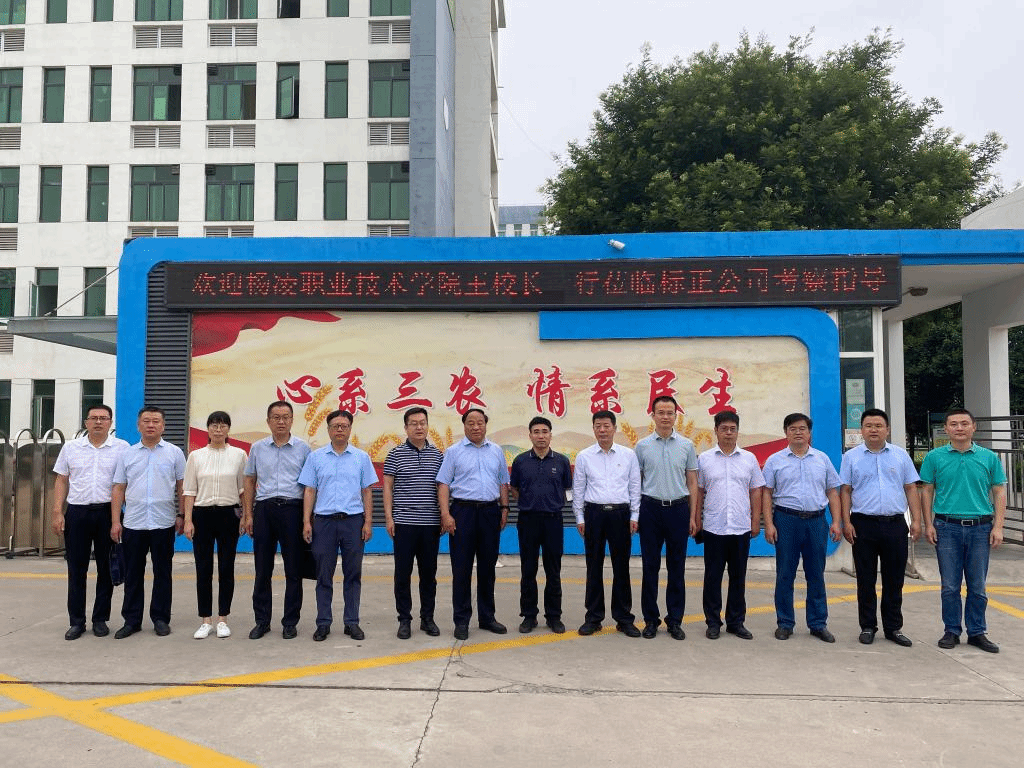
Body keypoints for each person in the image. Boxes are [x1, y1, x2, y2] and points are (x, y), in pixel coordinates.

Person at [921, 408, 1007, 653]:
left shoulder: (988, 457)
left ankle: (977, 632)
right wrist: (929, 524)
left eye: (964, 423)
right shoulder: (934, 457)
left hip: (980, 528)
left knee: (977, 585)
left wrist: (998, 526)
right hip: (947, 527)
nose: (959, 428)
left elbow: (999, 491)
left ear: (973, 427)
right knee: (950, 585)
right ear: (946, 429)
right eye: (954, 424)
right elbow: (926, 490)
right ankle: (951, 630)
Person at [839, 408, 922, 647]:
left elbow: (910, 488)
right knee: (865, 579)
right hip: (863, 524)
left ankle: (893, 628)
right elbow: (845, 490)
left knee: (894, 579)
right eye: (868, 426)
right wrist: (846, 522)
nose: (873, 430)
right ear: (861, 430)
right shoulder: (851, 457)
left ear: (887, 429)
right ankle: (868, 626)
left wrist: (916, 520)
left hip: (895, 524)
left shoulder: (900, 456)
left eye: (878, 426)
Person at [761, 412, 842, 642]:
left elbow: (832, 491)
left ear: (809, 432)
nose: (798, 432)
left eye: (802, 428)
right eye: (793, 429)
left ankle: (818, 623)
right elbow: (766, 493)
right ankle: (785, 623)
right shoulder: (775, 460)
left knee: (816, 574)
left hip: (816, 521)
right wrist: (769, 524)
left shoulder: (822, 459)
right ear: (786, 433)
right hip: (786, 520)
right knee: (785, 573)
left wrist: (836, 522)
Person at [51, 404, 129, 640]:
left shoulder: (122, 448)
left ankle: (100, 619)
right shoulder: (71, 448)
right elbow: (61, 480)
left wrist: (119, 518)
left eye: (103, 418)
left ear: (110, 423)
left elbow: (124, 483)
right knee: (77, 569)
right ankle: (76, 622)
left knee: (107, 568)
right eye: (93, 418)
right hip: (77, 512)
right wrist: (57, 511)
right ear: (86, 422)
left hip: (108, 513)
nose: (98, 422)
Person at [299, 409, 376, 642]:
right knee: (324, 575)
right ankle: (323, 623)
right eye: (335, 426)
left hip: (353, 521)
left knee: (353, 574)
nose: (339, 429)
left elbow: (367, 491)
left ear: (350, 429)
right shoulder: (316, 457)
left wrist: (368, 522)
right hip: (324, 522)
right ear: (328, 429)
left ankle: (352, 622)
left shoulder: (361, 457)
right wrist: (306, 521)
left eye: (344, 426)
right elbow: (309, 490)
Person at [109, 406, 185, 639]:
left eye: (156, 421)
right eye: (146, 421)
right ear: (138, 425)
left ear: (163, 426)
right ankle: (132, 620)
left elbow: (182, 486)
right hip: (134, 522)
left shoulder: (174, 453)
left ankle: (160, 619)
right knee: (133, 574)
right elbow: (118, 488)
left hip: (163, 522)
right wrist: (115, 521)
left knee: (163, 572)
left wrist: (182, 515)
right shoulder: (127, 454)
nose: (151, 425)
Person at [436, 408, 511, 641]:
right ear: (464, 426)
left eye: (480, 422)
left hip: (490, 512)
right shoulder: (453, 452)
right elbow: (443, 484)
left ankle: (487, 617)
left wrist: (504, 509)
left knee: (488, 568)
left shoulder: (496, 451)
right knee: (461, 569)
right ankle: (461, 621)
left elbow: (503, 482)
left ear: (486, 425)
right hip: (463, 512)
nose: (476, 427)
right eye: (471, 423)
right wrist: (446, 514)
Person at [242, 401, 311, 640]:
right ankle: (262, 621)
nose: (281, 421)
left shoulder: (304, 448)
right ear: (268, 421)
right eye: (276, 417)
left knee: (294, 570)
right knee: (262, 569)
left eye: (285, 417)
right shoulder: (258, 448)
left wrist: (307, 519)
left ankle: (290, 622)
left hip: (293, 509)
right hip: (265, 509)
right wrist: (248, 514)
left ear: (292, 420)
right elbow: (249, 480)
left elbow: (310, 486)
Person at [695, 410, 764, 640]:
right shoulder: (705, 459)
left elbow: (756, 490)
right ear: (716, 431)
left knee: (738, 577)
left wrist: (755, 520)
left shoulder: (749, 459)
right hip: (713, 527)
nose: (728, 433)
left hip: (740, 527)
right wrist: (697, 519)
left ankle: (736, 622)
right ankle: (713, 622)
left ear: (737, 431)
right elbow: (699, 491)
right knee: (712, 577)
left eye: (732, 429)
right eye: (723, 429)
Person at [573, 410, 642, 638]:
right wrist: (580, 518)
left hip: (621, 514)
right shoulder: (584, 456)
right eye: (598, 426)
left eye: (606, 426)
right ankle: (593, 618)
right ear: (593, 429)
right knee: (593, 567)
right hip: (594, 514)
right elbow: (579, 489)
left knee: (621, 567)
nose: (602, 430)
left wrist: (635, 515)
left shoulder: (628, 455)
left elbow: (635, 487)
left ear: (614, 428)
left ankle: (624, 618)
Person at [634, 396, 697, 640]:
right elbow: (636, 481)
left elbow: (692, 482)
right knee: (650, 567)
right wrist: (635, 513)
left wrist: (693, 516)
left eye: (670, 412)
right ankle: (651, 620)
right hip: (650, 509)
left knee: (677, 567)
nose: (665, 417)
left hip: (678, 510)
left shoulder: (686, 445)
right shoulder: (642, 446)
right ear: (653, 416)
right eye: (660, 412)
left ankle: (675, 620)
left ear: (675, 416)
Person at [182, 411, 247, 640]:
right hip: (202, 515)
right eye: (214, 425)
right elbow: (189, 490)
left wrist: (245, 516)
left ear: (228, 429)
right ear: (208, 429)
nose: (218, 430)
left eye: (222, 426)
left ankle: (222, 619)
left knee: (226, 568)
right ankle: (205, 620)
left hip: (229, 514)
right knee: (203, 569)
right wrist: (188, 520)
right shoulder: (196, 456)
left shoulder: (239, 455)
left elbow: (243, 490)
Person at [382, 407, 444, 640]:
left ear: (427, 425)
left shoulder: (438, 455)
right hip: (404, 523)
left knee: (429, 574)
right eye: (414, 423)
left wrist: (443, 515)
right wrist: (389, 518)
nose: (419, 427)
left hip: (430, 524)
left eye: (422, 423)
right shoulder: (395, 454)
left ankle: (427, 618)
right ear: (406, 427)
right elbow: (388, 488)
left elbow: (442, 488)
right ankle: (404, 620)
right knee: (403, 574)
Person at [510, 417, 573, 634]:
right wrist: (530, 502)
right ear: (530, 435)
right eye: (536, 432)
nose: (541, 436)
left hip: (553, 520)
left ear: (551, 435)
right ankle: (529, 616)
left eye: (545, 431)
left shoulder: (561, 461)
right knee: (528, 570)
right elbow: (514, 489)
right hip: (528, 520)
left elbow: (567, 489)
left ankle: (554, 616)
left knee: (553, 570)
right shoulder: (520, 461)